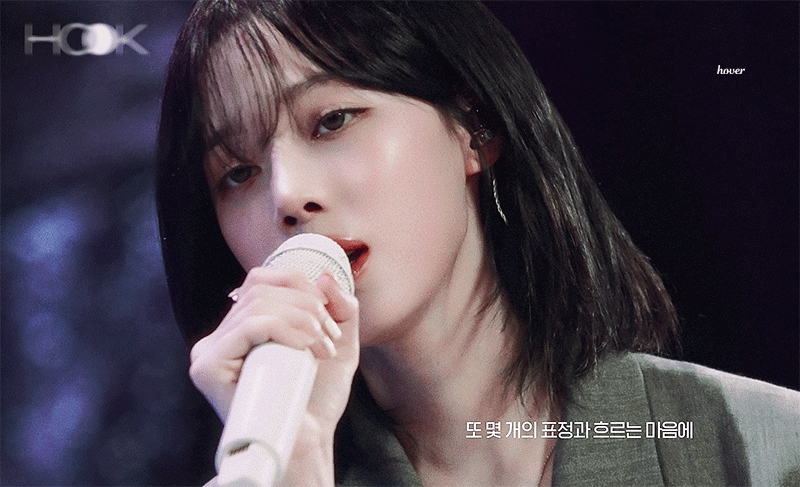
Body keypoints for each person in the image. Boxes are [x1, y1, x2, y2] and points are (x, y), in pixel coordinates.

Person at [156, 1, 800, 485]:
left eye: (332, 120)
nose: (287, 195)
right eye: (237, 173)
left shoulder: (764, 449)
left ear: (474, 125)